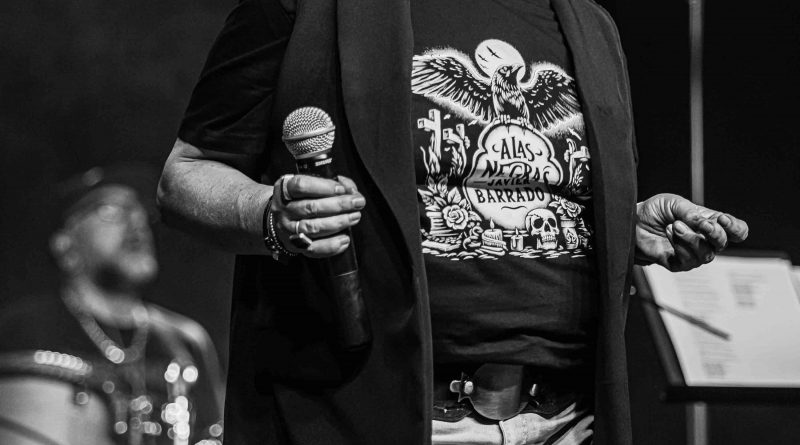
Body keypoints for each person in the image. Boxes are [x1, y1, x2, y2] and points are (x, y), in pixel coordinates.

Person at [157, 0, 749, 444]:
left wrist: (621, 225)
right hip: (388, 416)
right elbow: (187, 174)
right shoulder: (309, 8)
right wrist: (267, 213)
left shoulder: (589, 22)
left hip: (566, 420)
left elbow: (549, 189)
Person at [0, 165, 225, 445]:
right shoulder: (21, 330)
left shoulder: (186, 341)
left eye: (141, 212)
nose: (136, 222)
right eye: (110, 210)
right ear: (65, 244)